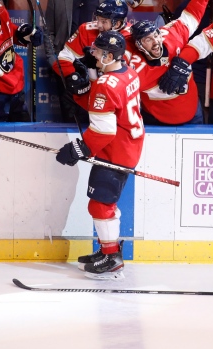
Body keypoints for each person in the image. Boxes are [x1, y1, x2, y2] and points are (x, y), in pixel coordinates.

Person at [55, 31, 143, 280]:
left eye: (97, 51)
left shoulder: (105, 84)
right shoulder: (128, 72)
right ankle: (108, 251)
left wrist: (78, 150)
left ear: (109, 55)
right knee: (104, 203)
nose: (92, 53)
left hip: (114, 152)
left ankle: (112, 258)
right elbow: (114, 106)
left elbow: (103, 130)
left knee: (101, 204)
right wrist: (83, 97)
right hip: (126, 146)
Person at [127, 0, 208, 126]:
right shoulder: (135, 70)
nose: (155, 42)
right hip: (157, 121)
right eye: (148, 39)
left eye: (156, 35)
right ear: (138, 44)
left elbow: (193, 14)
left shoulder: (173, 35)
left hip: (193, 113)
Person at [53, 0, 132, 124]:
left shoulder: (131, 37)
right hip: (84, 95)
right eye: (98, 19)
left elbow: (128, 74)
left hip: (115, 99)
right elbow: (63, 59)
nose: (98, 25)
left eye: (104, 21)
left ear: (117, 24)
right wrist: (75, 78)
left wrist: (95, 61)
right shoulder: (86, 29)